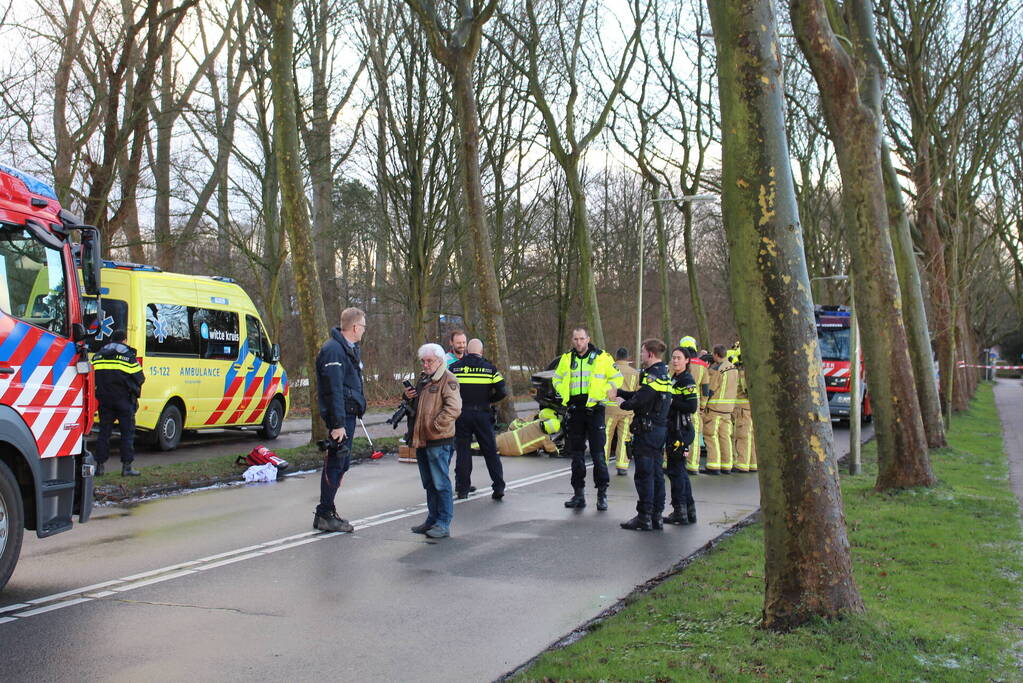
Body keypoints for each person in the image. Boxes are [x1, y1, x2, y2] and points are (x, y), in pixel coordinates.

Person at [552, 327, 623, 511]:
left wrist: (607, 390)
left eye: (581, 339)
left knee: (599, 455)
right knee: (576, 455)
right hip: (575, 410)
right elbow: (557, 379)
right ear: (572, 340)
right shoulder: (567, 359)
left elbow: (617, 377)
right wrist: (562, 391)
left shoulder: (602, 357)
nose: (578, 342)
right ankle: (578, 494)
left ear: (588, 339)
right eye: (575, 339)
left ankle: (602, 494)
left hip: (594, 410)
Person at [313, 307, 367, 533]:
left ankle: (328, 510)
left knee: (341, 464)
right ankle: (324, 514)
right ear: (355, 327)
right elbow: (333, 389)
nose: (364, 331)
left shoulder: (347, 349)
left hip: (348, 414)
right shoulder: (334, 350)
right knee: (336, 464)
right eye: (363, 327)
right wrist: (337, 424)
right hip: (342, 417)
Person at [613, 338, 673, 531]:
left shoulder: (652, 375)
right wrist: (621, 392)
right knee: (656, 474)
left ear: (650, 353)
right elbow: (643, 395)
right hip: (658, 429)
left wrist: (622, 404)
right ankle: (656, 515)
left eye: (642, 352)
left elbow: (642, 399)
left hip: (648, 431)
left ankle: (644, 516)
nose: (640, 355)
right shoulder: (663, 373)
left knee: (644, 474)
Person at [406, 343, 462, 539]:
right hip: (422, 440)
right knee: (429, 483)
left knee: (441, 483)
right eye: (423, 361)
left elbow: (454, 408)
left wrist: (435, 426)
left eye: (429, 361)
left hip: (439, 440)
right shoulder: (424, 379)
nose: (426, 364)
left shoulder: (448, 379)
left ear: (440, 361)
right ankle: (432, 519)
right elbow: (419, 408)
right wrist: (409, 397)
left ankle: (443, 523)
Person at [450, 338, 506, 500]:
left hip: (462, 414)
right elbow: (502, 391)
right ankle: (498, 487)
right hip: (483, 414)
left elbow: (448, 390)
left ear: (467, 350)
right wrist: (489, 399)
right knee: (490, 452)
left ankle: (463, 489)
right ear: (481, 352)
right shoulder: (490, 369)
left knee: (463, 452)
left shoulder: (454, 368)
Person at [93, 329, 145, 477]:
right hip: (124, 401)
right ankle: (126, 467)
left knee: (104, 434)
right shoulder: (128, 357)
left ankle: (100, 467)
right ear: (124, 340)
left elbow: (92, 376)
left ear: (111, 340)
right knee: (127, 434)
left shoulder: (98, 356)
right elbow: (140, 377)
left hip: (104, 401)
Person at [664, 346, 699, 524]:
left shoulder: (686, 380)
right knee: (679, 471)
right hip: (674, 429)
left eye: (678, 358)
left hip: (681, 431)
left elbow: (692, 407)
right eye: (673, 358)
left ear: (687, 360)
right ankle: (688, 510)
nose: (675, 361)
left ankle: (680, 512)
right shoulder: (675, 378)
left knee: (676, 471)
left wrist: (671, 401)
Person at [702, 344, 737, 474]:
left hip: (715, 409)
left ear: (716, 355)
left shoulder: (719, 370)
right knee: (725, 437)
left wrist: (704, 404)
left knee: (711, 436)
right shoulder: (734, 368)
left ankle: (713, 465)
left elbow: (711, 389)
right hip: (728, 410)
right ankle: (727, 465)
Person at [604, 347, 640, 476]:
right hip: (627, 410)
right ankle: (622, 465)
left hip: (610, 408)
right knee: (624, 437)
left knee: (606, 436)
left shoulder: (609, 370)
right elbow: (638, 392)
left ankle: (603, 463)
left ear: (616, 357)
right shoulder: (635, 373)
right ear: (627, 358)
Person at [679, 336, 709, 475]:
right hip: (694, 402)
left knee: (675, 431)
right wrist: (702, 405)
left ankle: (669, 462)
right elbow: (705, 389)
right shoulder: (703, 366)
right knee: (695, 434)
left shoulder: (677, 362)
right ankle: (693, 465)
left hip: (678, 400)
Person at [731, 344, 757, 473]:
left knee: (742, 436)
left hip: (742, 408)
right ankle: (752, 463)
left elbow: (746, 390)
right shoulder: (754, 370)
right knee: (750, 436)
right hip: (749, 408)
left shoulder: (744, 371)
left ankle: (742, 464)